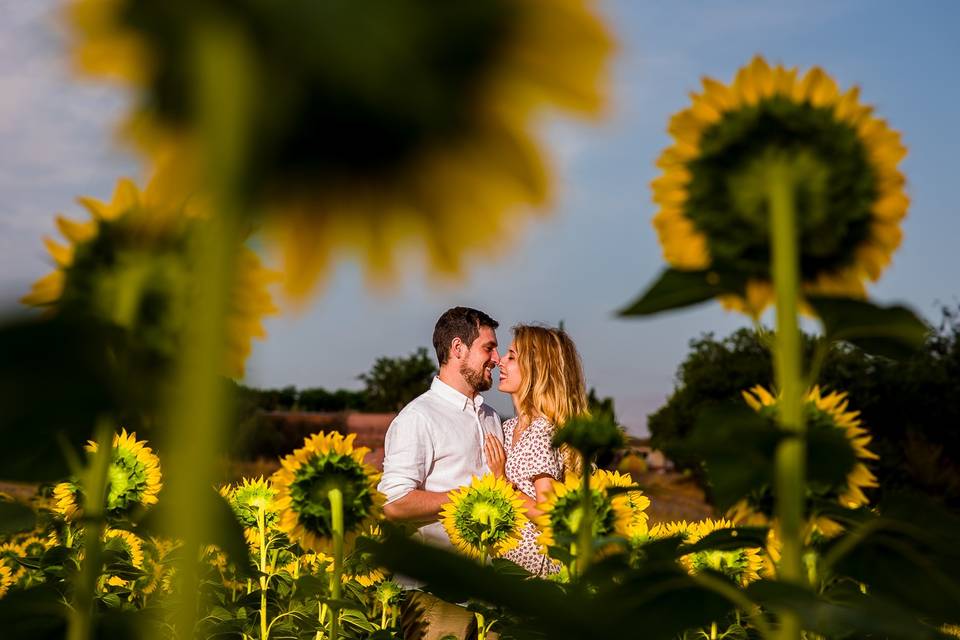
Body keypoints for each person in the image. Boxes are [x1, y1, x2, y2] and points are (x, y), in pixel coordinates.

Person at [378, 306, 503, 639]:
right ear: (458, 349)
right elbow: (393, 502)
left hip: (487, 595)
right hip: (433, 596)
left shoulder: (490, 417)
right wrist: (471, 499)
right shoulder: (418, 417)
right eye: (488, 348)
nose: (497, 358)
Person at [483, 324, 588, 577]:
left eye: (512, 356)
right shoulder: (508, 428)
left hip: (533, 574)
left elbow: (548, 515)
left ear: (536, 370)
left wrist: (502, 482)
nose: (500, 363)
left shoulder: (542, 431)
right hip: (508, 566)